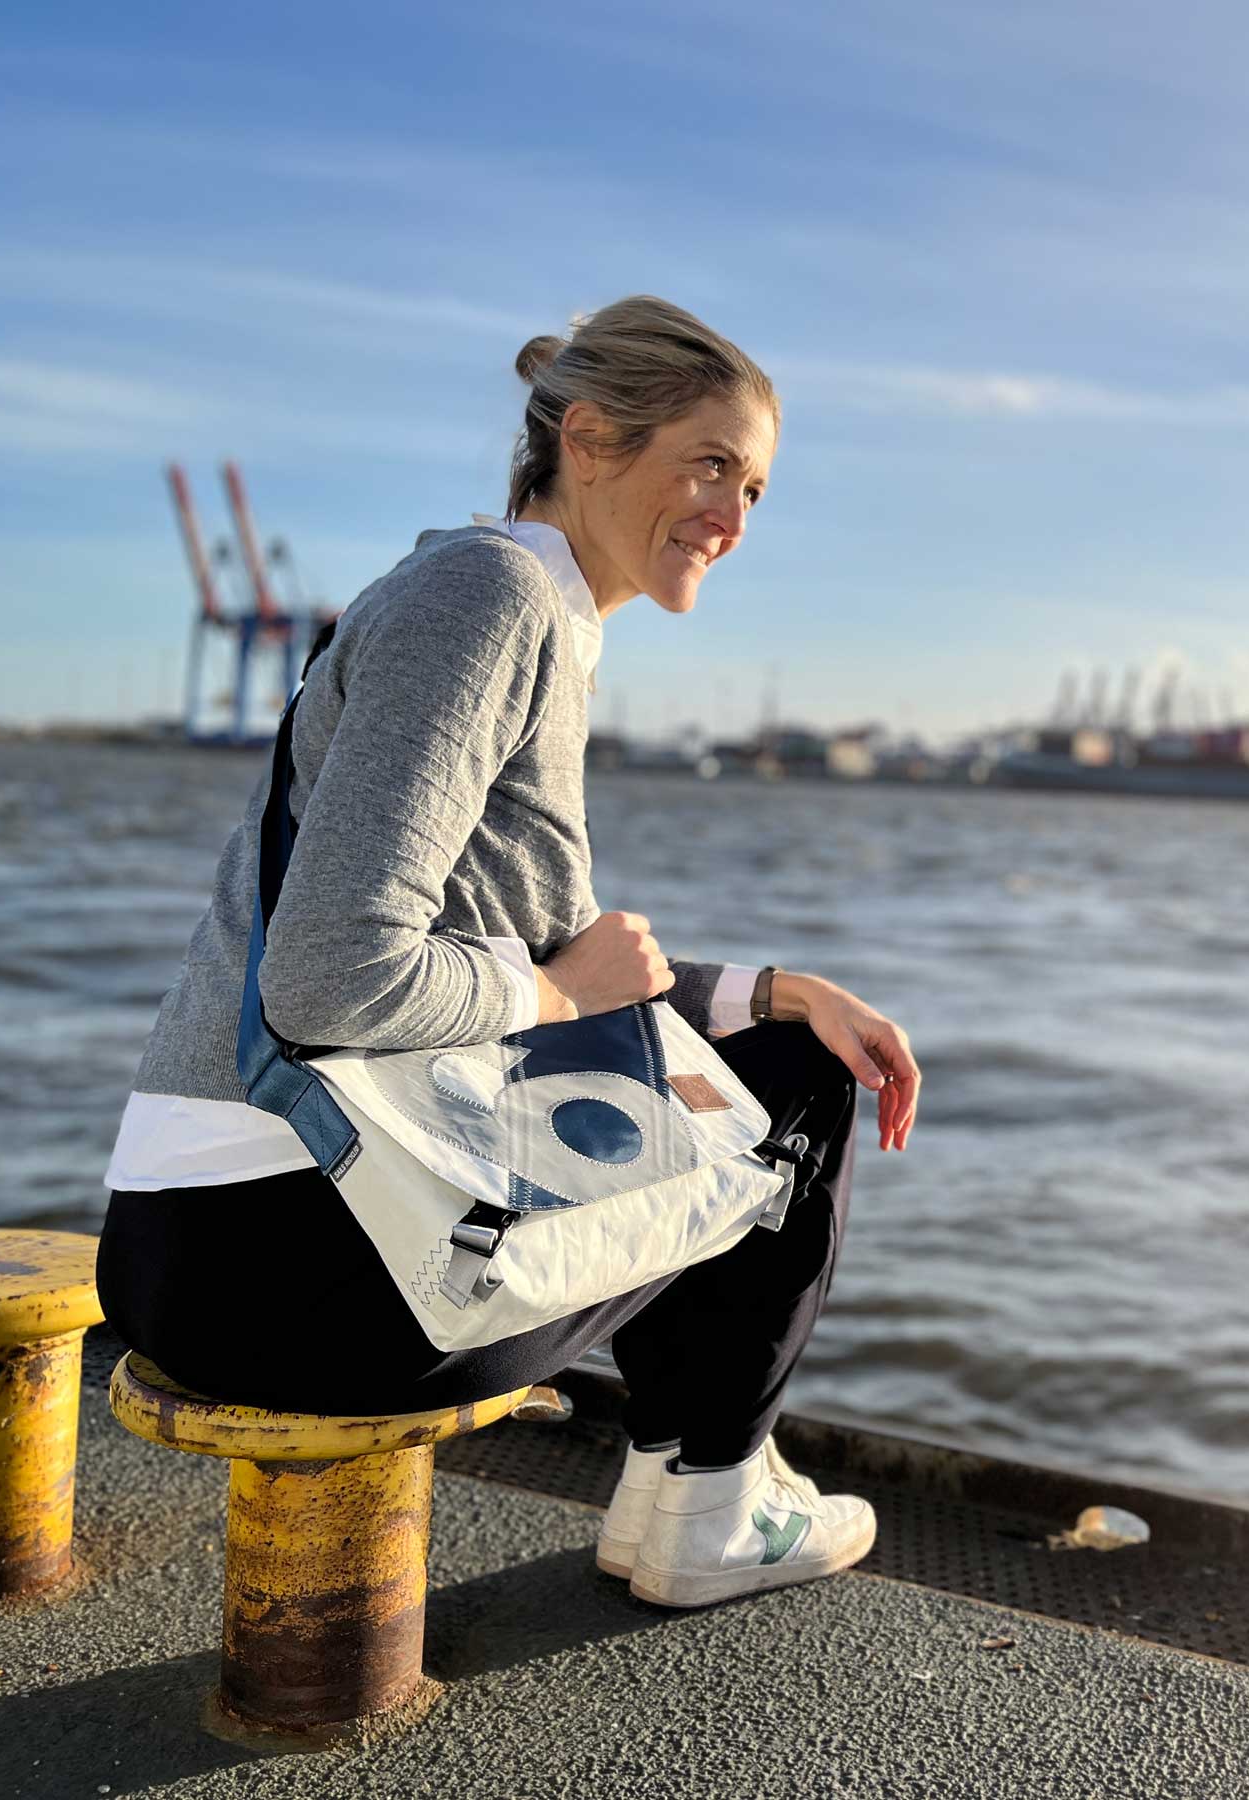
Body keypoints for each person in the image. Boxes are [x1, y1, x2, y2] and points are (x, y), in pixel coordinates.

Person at [94, 294, 920, 1608]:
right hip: (286, 1257)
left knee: (784, 1043)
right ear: (586, 439)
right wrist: (555, 987)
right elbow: (339, 977)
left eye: (755, 487)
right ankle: (709, 1500)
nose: (734, 516)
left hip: (222, 1241)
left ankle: (692, 1496)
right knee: (802, 1090)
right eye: (709, 465)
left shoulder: (510, 606)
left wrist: (766, 991)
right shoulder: (491, 598)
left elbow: (546, 970)